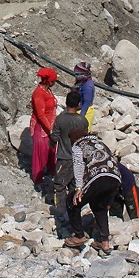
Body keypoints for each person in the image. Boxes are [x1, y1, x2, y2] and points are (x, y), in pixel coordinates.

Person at [63, 128, 121, 255]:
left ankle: (78, 235)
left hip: (98, 177)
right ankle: (104, 243)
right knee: (100, 207)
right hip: (115, 177)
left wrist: (78, 188)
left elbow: (78, 166)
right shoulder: (100, 142)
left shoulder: (78, 145)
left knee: (73, 202)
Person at [50, 91, 89, 227]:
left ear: (66, 102)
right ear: (78, 104)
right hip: (79, 160)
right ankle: (74, 213)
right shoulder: (82, 121)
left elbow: (54, 138)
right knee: (75, 186)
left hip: (63, 158)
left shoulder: (60, 119)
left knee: (59, 186)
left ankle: (60, 213)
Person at [30, 67, 58, 189]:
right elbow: (40, 115)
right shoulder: (38, 94)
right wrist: (50, 130)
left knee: (51, 150)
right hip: (41, 127)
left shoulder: (48, 91)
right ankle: (38, 178)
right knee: (40, 153)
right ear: (49, 81)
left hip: (50, 124)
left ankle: (51, 170)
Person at [73, 61, 96, 129]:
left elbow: (86, 103)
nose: (76, 76)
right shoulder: (81, 82)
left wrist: (81, 117)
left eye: (78, 74)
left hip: (86, 112)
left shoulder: (88, 87)